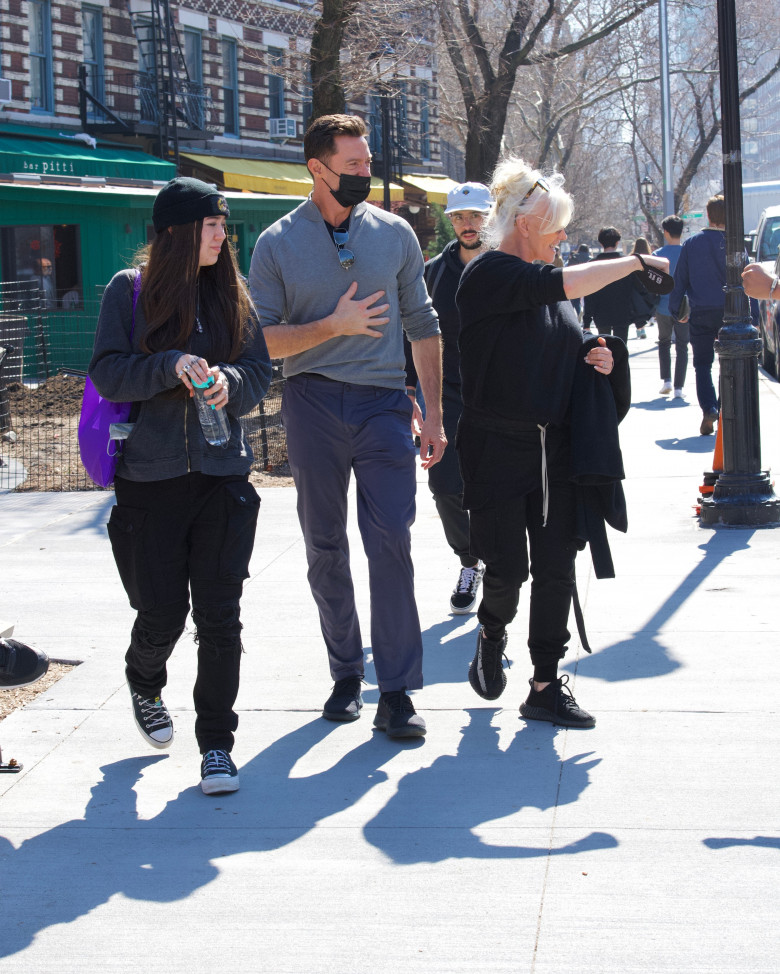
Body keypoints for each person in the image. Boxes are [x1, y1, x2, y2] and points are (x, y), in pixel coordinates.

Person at [249, 114, 445, 740]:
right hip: (310, 405)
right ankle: (343, 673)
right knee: (323, 544)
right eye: (354, 165)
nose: (366, 173)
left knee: (391, 539)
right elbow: (262, 343)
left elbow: (424, 323)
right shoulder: (276, 243)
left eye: (367, 163)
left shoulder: (395, 234)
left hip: (384, 404)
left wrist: (434, 410)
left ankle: (396, 692)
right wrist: (331, 326)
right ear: (318, 168)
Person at [455, 158, 668, 727]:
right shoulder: (491, 273)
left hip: (556, 453)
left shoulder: (553, 293)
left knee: (556, 568)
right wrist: (637, 263)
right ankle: (491, 630)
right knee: (506, 571)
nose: (562, 239)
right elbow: (558, 284)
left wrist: (599, 359)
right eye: (556, 229)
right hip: (497, 449)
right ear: (527, 225)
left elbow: (560, 354)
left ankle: (545, 685)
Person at [89, 176, 273, 795]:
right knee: (162, 612)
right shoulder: (129, 291)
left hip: (223, 480)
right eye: (213, 226)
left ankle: (217, 747)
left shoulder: (232, 293)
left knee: (221, 618)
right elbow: (109, 375)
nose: (224, 237)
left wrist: (231, 384)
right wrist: (167, 366)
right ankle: (144, 680)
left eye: (224, 226)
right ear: (177, 232)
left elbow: (258, 371)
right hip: (150, 482)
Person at [404, 181, 492, 616]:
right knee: (443, 485)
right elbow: (413, 329)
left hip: (502, 395)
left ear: (490, 217)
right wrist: (408, 387)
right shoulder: (433, 271)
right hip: (447, 394)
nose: (467, 224)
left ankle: (500, 563)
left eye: (476, 215)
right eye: (459, 217)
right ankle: (470, 562)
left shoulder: (508, 265)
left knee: (497, 486)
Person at [668, 195, 729, 435]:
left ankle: (709, 408)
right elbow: (748, 279)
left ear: (708, 215)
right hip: (730, 312)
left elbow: (679, 280)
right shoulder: (733, 243)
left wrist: (676, 311)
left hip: (701, 311)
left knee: (702, 364)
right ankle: (725, 411)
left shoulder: (692, 244)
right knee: (729, 363)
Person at [582, 227, 650, 342]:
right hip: (623, 313)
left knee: (604, 347)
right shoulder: (627, 263)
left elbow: (588, 295)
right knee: (621, 348)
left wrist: (587, 321)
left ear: (600, 242)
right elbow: (639, 288)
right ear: (617, 242)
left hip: (601, 314)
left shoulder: (592, 264)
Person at [653, 215, 688, 398]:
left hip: (663, 306)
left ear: (666, 232)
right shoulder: (688, 252)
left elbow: (651, 283)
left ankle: (666, 380)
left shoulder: (657, 255)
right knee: (682, 345)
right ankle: (679, 388)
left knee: (664, 342)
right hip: (684, 306)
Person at [630, 237, 658, 339]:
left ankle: (639, 329)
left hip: (635, 288)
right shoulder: (650, 258)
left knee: (637, 309)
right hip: (648, 288)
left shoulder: (632, 258)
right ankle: (642, 328)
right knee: (646, 308)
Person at [566, 244, 591, 323]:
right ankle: (585, 315)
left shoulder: (574, 257)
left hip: (575, 281)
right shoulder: (590, 259)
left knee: (575, 301)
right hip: (588, 282)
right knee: (587, 300)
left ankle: (573, 315)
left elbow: (569, 269)